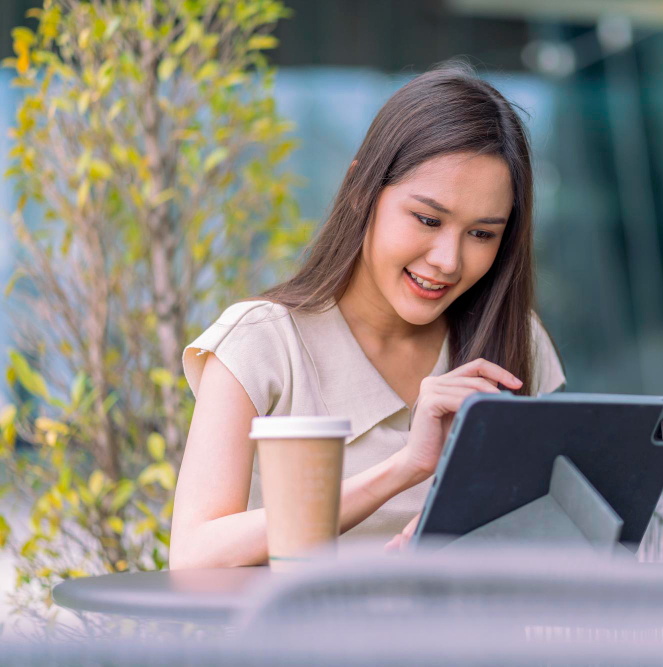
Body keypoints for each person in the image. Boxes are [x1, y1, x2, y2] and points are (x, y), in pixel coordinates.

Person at [168, 62, 566, 570]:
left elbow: (551, 542)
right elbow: (195, 554)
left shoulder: (516, 340)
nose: (448, 259)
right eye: (427, 219)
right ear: (362, 189)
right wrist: (405, 467)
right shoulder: (263, 342)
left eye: (482, 234)